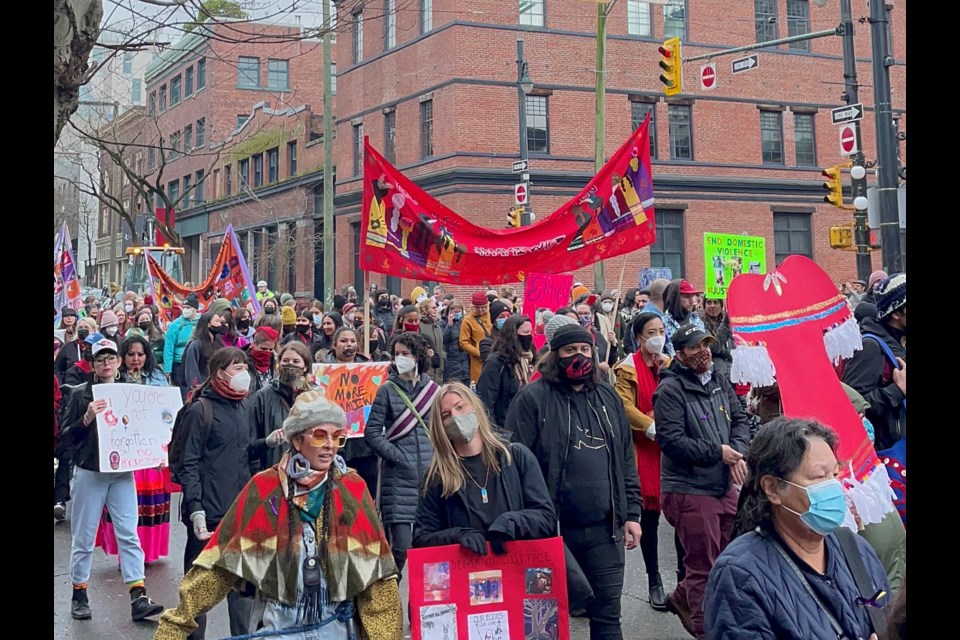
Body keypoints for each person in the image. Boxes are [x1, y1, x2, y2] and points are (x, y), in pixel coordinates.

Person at [155, 391, 403, 640]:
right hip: (279, 628)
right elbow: (221, 565)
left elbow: (376, 576)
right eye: (320, 436)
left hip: (337, 628)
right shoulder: (266, 488)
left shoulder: (351, 487)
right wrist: (178, 623)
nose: (330, 444)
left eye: (337, 437)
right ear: (297, 440)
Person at [505, 323, 643, 640]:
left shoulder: (608, 395)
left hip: (605, 530)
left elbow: (625, 457)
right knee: (543, 622)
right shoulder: (532, 399)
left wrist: (632, 513)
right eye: (569, 350)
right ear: (555, 356)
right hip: (551, 534)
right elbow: (513, 465)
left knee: (608, 618)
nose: (578, 356)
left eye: (584, 349)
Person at [705, 418, 890, 640]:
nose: (833, 487)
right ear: (772, 488)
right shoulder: (739, 575)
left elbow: (886, 618)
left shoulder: (856, 549)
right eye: (819, 477)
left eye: (834, 474)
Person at [653, 323, 752, 639]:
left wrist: (737, 453)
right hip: (689, 489)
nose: (704, 351)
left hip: (722, 485)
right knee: (703, 566)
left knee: (731, 555)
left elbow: (740, 419)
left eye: (706, 344)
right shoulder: (669, 390)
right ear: (680, 354)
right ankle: (704, 628)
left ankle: (682, 598)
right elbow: (671, 440)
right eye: (695, 347)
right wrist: (717, 453)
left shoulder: (719, 379)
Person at [58, 337, 165, 621]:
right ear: (92, 364)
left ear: (118, 361)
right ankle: (79, 593)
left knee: (129, 534)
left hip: (121, 475)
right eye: (100, 359)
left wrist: (156, 451)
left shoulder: (131, 391)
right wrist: (86, 418)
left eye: (110, 358)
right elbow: (66, 439)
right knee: (83, 537)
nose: (106, 363)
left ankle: (138, 594)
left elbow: (147, 429)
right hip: (90, 473)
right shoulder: (81, 394)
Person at [413, 382, 557, 555]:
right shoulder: (437, 478)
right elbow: (422, 538)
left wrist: (512, 522)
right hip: (467, 574)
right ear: (440, 427)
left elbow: (546, 517)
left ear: (475, 408)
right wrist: (456, 536)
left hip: (517, 570)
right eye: (446, 415)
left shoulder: (516, 458)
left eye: (460, 407)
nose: (456, 417)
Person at [177, 347, 257, 639]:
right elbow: (189, 462)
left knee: (242, 589)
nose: (244, 373)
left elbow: (245, 455)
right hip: (207, 515)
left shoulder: (246, 407)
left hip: (240, 512)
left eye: (245, 366)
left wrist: (266, 443)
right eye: (237, 368)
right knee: (200, 589)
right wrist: (195, 508)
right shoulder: (201, 410)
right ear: (218, 374)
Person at [613, 312, 674, 611]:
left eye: (662, 330)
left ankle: (685, 576)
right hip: (644, 449)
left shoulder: (669, 363)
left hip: (672, 449)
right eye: (652, 331)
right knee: (650, 519)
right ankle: (654, 580)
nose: (658, 336)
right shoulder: (627, 369)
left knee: (679, 517)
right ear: (639, 337)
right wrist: (651, 428)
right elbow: (623, 405)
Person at [364, 332, 441, 573]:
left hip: (431, 477)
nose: (400, 359)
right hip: (398, 479)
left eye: (405, 354)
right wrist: (396, 456)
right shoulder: (387, 390)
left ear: (417, 356)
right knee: (401, 549)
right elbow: (373, 432)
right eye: (397, 354)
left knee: (429, 548)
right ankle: (390, 597)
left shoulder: (435, 391)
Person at [97, 335, 171, 566]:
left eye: (140, 354)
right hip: (125, 453)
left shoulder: (158, 379)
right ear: (122, 357)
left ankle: (147, 553)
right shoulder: (113, 381)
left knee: (149, 505)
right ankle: (127, 556)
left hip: (150, 454)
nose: (136, 359)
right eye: (131, 354)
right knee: (125, 508)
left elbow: (167, 415)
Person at [841, 274, 906, 451]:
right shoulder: (870, 347)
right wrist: (897, 391)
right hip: (889, 456)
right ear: (896, 313)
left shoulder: (900, 341)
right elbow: (851, 408)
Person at [249, 342, 315, 472]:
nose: (290, 365)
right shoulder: (262, 397)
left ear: (305, 366)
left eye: (296, 361)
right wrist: (267, 442)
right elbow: (251, 444)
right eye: (286, 360)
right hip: (274, 471)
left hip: (309, 470)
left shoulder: (315, 396)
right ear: (279, 365)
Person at [477, 315, 537, 428]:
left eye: (531, 332)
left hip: (527, 425)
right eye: (525, 332)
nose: (529, 336)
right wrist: (494, 432)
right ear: (513, 335)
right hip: (505, 427)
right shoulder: (496, 362)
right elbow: (486, 400)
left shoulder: (530, 359)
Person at [181, 311, 226, 397]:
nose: (220, 324)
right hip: (201, 389)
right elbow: (191, 370)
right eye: (216, 321)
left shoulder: (218, 342)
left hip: (216, 387)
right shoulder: (195, 345)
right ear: (208, 324)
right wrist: (198, 388)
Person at [164, 294, 200, 398]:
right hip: (179, 364)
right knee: (184, 393)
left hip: (196, 362)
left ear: (195, 309)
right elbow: (169, 347)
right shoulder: (176, 325)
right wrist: (167, 369)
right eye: (184, 307)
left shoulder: (202, 322)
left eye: (188, 308)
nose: (185, 310)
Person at [661, 280, 705, 357]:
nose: (691, 301)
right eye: (686, 297)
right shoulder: (661, 323)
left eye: (692, 296)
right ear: (674, 298)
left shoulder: (696, 320)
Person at [459, 291, 493, 386]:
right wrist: (478, 353)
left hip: (495, 355)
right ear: (472, 306)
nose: (481, 310)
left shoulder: (492, 316)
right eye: (477, 307)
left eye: (483, 307)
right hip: (479, 360)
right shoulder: (468, 320)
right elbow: (463, 342)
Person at [700, 297, 734, 382]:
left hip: (731, 370)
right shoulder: (700, 323)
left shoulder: (728, 319)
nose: (712, 306)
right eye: (709, 302)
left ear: (721, 305)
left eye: (716, 302)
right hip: (714, 372)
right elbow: (714, 347)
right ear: (704, 305)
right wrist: (725, 325)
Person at [56, 317, 96, 382]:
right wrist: (60, 385)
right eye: (80, 328)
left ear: (93, 330)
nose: (83, 329)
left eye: (86, 327)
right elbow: (57, 368)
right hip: (72, 384)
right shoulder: (67, 347)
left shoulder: (98, 346)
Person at [418, 297, 447, 385]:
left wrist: (443, 358)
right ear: (425, 310)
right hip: (427, 370)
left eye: (436, 308)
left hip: (439, 370)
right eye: (433, 308)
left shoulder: (437, 326)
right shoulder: (420, 325)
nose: (435, 310)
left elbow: (441, 346)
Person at [243, 325, 279, 392]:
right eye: (263, 349)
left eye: (271, 349)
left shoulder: (276, 361)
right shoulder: (242, 361)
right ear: (254, 344)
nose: (267, 352)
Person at [442, 300, 470, 385]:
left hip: (465, 362)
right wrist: (449, 326)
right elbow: (443, 339)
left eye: (459, 312)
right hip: (451, 362)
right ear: (450, 312)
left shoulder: (464, 322)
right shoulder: (443, 323)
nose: (457, 313)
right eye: (455, 312)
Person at [479, 300, 512, 365]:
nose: (506, 319)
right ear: (494, 321)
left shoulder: (516, 337)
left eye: (508, 316)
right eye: (501, 317)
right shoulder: (486, 343)